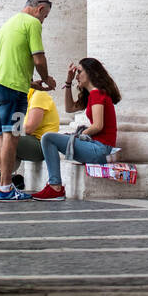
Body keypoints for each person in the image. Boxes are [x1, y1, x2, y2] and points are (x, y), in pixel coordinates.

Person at [0, 0, 58, 201]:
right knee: (13, 135)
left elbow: (10, 60)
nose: (43, 20)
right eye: (45, 16)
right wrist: (46, 79)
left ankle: (3, 184)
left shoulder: (8, 24)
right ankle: (6, 188)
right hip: (14, 91)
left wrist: (30, 83)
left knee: (1, 134)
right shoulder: (32, 23)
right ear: (40, 8)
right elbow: (38, 57)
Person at [32, 58, 122, 202]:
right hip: (96, 147)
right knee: (52, 138)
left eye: (79, 72)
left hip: (100, 149)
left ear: (91, 73)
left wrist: (80, 135)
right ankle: (55, 187)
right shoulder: (92, 95)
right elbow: (69, 108)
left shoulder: (98, 94)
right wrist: (68, 82)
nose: (76, 76)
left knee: (48, 138)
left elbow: (98, 126)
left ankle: (55, 187)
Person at [0, 85, 61, 193]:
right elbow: (16, 126)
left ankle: (1, 179)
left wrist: (2, 126)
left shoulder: (39, 95)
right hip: (26, 141)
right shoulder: (21, 99)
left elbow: (29, 128)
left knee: (3, 134)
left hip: (41, 145)